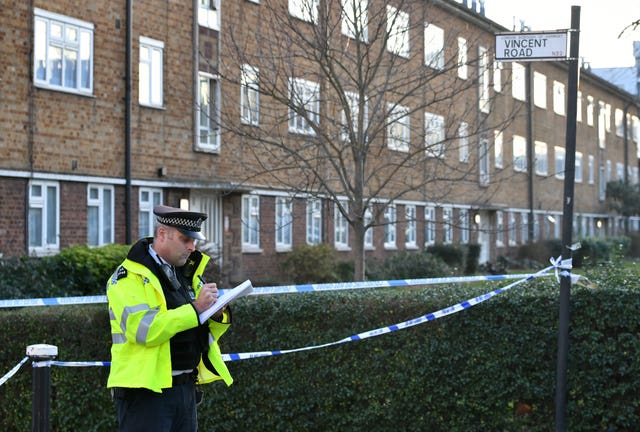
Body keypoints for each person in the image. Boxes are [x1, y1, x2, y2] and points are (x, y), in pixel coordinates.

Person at [106, 204, 233, 432]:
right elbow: (144, 330)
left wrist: (216, 313)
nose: (193, 247)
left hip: (184, 389)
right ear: (163, 234)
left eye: (194, 241)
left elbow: (197, 327)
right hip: (145, 394)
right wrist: (195, 309)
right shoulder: (128, 278)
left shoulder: (185, 272)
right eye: (186, 240)